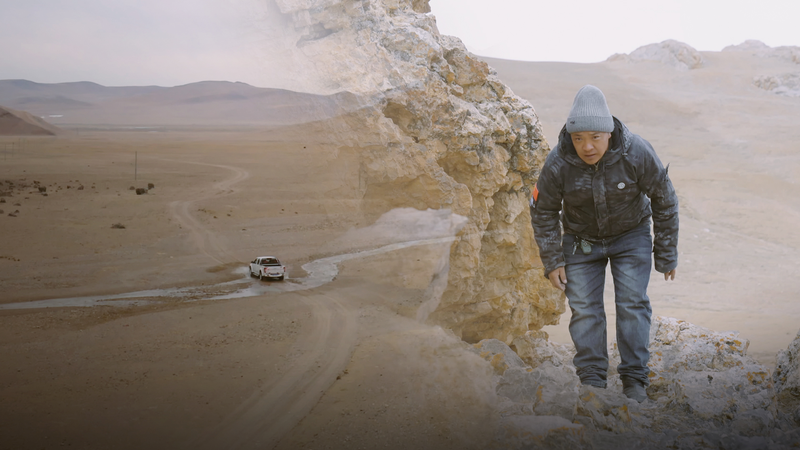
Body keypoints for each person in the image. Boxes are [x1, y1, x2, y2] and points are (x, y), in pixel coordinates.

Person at [530, 85, 678, 403]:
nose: (587, 146)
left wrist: (666, 253)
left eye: (595, 137)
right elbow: (542, 211)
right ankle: (593, 380)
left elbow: (665, 198)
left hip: (631, 235)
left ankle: (635, 380)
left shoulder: (637, 152)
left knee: (632, 304)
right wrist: (553, 260)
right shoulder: (558, 162)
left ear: (609, 132)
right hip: (581, 241)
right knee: (585, 309)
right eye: (578, 138)